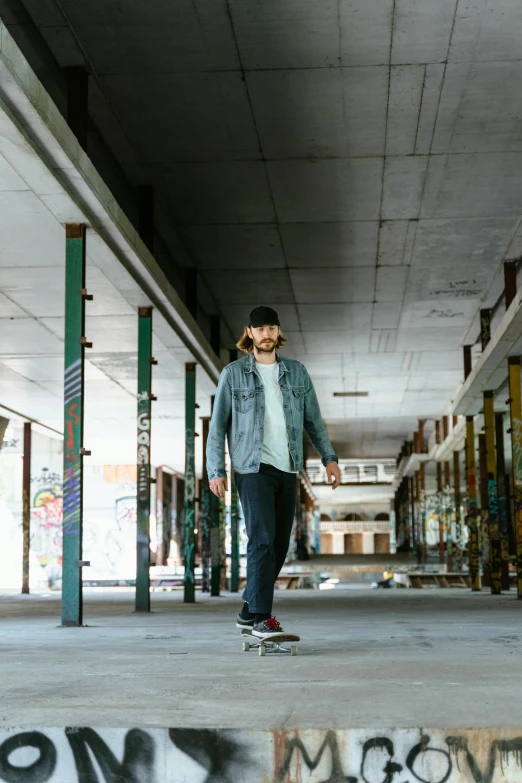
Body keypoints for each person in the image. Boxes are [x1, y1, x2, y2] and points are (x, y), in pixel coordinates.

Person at [206, 306, 340, 638]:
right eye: (259, 329)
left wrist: (330, 458)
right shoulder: (233, 374)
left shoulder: (297, 373)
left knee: (279, 545)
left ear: (278, 333)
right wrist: (215, 469)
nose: (266, 334)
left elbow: (314, 422)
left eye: (271, 328)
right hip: (251, 467)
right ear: (249, 333)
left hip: (288, 466)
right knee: (262, 540)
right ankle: (262, 618)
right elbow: (218, 425)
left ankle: (247, 610)